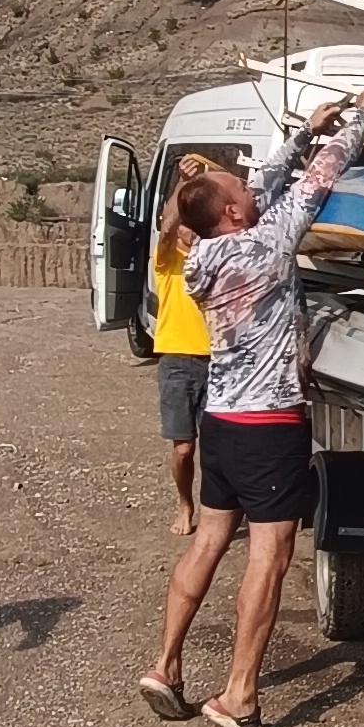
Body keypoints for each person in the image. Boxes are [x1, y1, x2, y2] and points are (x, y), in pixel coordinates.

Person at [138, 89, 364, 727]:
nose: (244, 183)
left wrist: (304, 129)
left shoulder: (208, 254)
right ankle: (240, 696)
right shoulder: (268, 245)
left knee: (208, 540)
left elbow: (265, 185)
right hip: (269, 427)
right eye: (232, 184)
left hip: (221, 423)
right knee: (268, 557)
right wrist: (359, 117)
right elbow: (318, 181)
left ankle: (164, 667)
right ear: (235, 212)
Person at [151, 155, 212, 536]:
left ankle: (216, 509)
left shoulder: (212, 257)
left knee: (220, 449)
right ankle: (185, 503)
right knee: (184, 449)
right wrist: (181, 186)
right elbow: (167, 228)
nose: (183, 229)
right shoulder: (166, 262)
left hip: (217, 361)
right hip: (176, 361)